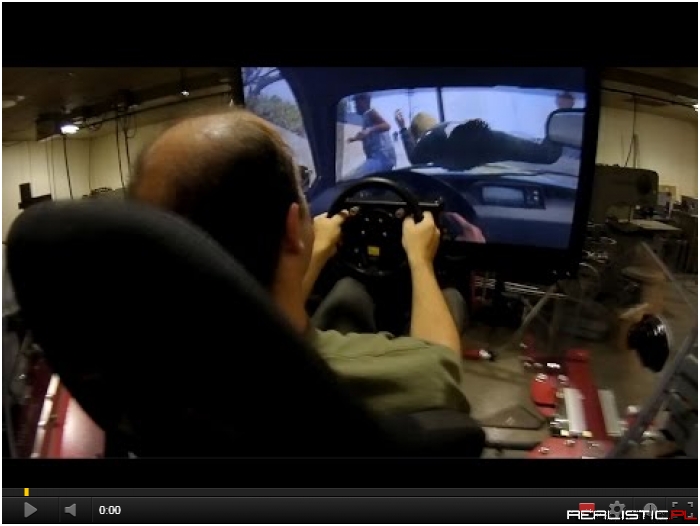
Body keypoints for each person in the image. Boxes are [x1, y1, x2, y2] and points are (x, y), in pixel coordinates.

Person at [129, 109, 470, 416]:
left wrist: (314, 251)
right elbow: (442, 364)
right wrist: (420, 259)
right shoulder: (384, 376)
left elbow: (262, 310)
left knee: (349, 292)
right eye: (302, 181)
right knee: (449, 298)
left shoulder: (136, 377)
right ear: (293, 227)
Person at [394, 110, 563, 170]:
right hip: (487, 138)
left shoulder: (427, 137)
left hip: (475, 145)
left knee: (546, 155)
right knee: (546, 155)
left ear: (417, 132)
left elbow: (413, 158)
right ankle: (562, 116)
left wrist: (402, 128)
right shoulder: (444, 126)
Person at [344, 93, 397, 179]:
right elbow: (368, 135)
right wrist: (355, 138)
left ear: (364, 101)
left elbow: (387, 126)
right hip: (379, 159)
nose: (355, 106)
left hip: (381, 159)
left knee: (351, 178)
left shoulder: (370, 112)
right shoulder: (366, 116)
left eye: (356, 103)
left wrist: (369, 130)